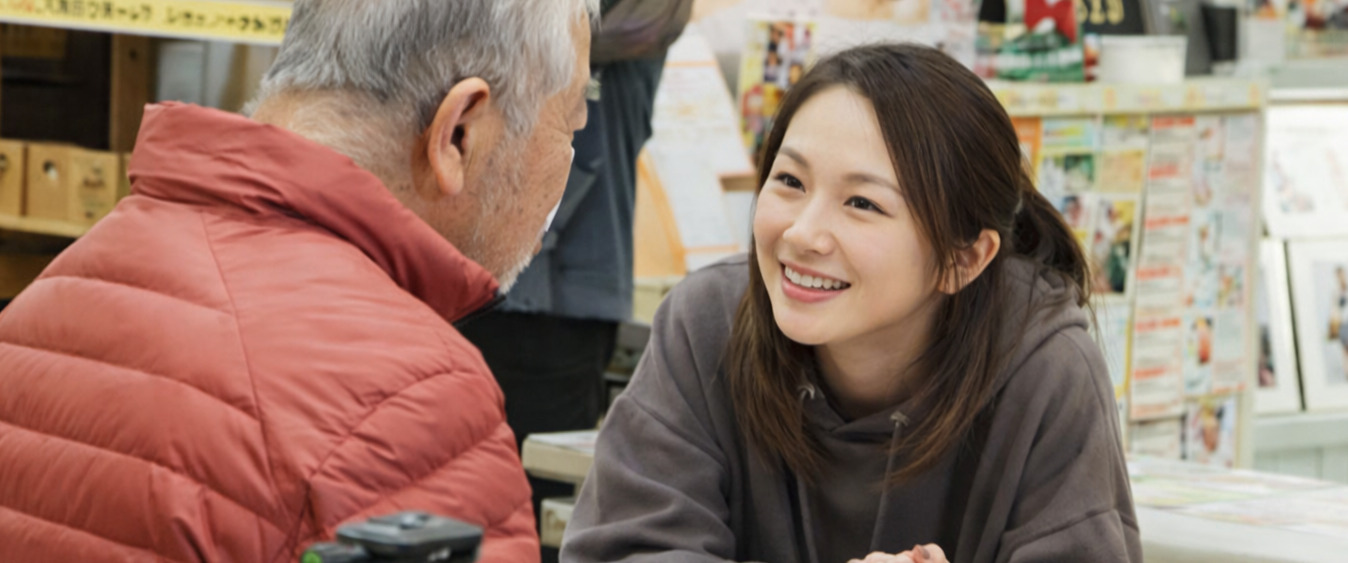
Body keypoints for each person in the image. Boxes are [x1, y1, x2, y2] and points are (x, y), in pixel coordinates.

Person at [0, 0, 597, 561]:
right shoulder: (412, 398)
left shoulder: (42, 307)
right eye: (570, 126)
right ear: (459, 132)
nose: (567, 160)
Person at [561, 44, 1140, 563]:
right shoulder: (708, 322)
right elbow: (626, 547)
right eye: (790, 181)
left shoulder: (1045, 369)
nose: (802, 234)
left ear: (963, 258)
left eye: (862, 203)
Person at [457, 0, 691, 559]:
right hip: (475, 275)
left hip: (564, 298)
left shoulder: (634, 20)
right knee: (455, 501)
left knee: (532, 508)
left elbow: (643, 22)